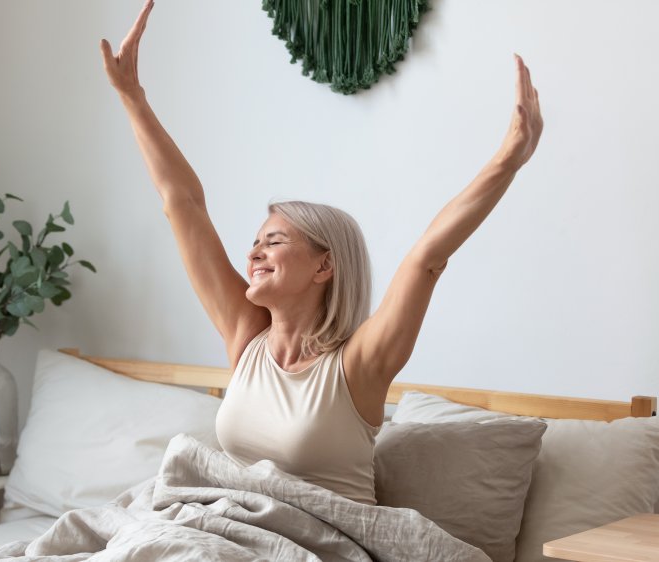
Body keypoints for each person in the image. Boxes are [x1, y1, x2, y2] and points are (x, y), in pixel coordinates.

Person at [100, 0, 543, 504]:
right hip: (231, 529)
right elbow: (183, 205)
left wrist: (508, 160)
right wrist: (133, 98)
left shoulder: (359, 365)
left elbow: (427, 256)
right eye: (255, 242)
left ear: (324, 265)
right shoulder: (246, 340)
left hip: (321, 543)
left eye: (275, 241)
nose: (255, 254)